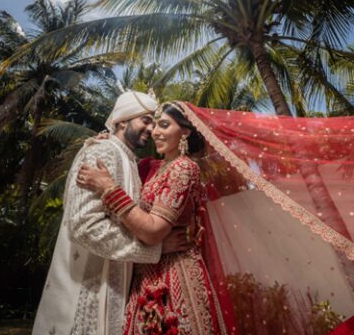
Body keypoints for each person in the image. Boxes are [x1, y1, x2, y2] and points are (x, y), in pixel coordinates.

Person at [33, 91, 187, 335]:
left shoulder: (129, 161)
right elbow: (84, 226)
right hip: (88, 283)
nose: (151, 129)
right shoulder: (102, 151)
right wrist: (153, 250)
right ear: (122, 121)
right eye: (145, 120)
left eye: (155, 122)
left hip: (116, 281)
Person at [77, 102, 228, 335]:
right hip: (146, 271)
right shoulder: (150, 167)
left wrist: (108, 187)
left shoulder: (184, 169)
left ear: (186, 132)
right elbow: (124, 163)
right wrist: (107, 141)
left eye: (164, 125)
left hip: (174, 274)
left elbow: (152, 231)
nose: (155, 131)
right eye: (154, 125)